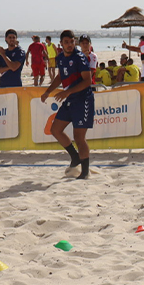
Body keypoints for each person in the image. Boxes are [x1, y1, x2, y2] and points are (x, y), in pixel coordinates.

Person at [39, 30, 95, 180]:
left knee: (79, 137)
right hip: (70, 99)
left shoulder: (80, 58)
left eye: (71, 42)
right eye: (66, 42)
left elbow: (87, 81)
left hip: (83, 100)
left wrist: (67, 92)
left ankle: (85, 171)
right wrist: (47, 92)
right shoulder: (61, 57)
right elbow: (59, 76)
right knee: (55, 130)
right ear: (61, 44)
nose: (69, 45)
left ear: (74, 42)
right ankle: (75, 157)